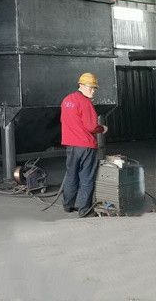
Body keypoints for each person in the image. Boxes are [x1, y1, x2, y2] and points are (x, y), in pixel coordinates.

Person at [60, 72, 108, 218]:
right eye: (90, 87)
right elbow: (91, 126)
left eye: (94, 88)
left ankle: (68, 205)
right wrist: (102, 128)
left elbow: (64, 120)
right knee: (87, 177)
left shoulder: (67, 100)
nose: (93, 91)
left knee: (71, 175)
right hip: (86, 146)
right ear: (80, 85)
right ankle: (85, 210)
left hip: (71, 145)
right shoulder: (85, 103)